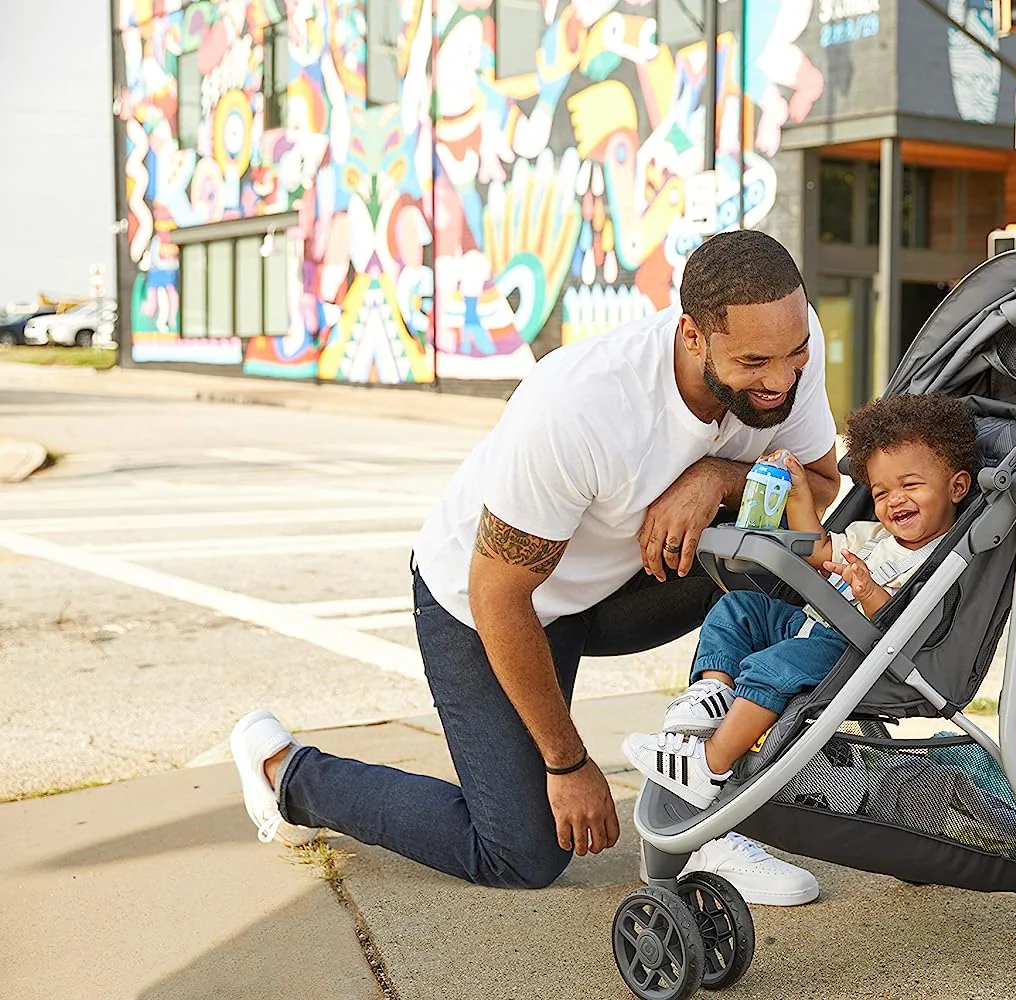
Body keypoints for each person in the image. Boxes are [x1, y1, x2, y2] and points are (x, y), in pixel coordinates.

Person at [227, 229, 844, 905]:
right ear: (692, 334)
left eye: (796, 356)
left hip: (618, 583)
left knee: (781, 556)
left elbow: (818, 486)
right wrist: (567, 761)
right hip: (487, 606)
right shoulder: (580, 406)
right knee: (522, 853)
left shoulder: (786, 337)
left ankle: (705, 770)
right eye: (755, 362)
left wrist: (718, 475)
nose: (782, 380)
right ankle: (288, 774)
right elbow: (498, 596)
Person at [621, 393, 980, 807]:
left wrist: (868, 592)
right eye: (881, 493)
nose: (893, 500)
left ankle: (707, 766)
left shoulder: (938, 565)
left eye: (910, 485)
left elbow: (904, 631)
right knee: (738, 610)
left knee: (773, 667)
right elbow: (819, 549)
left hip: (853, 649)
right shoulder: (874, 536)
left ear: (957, 486)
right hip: (810, 623)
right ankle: (711, 698)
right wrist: (798, 494)